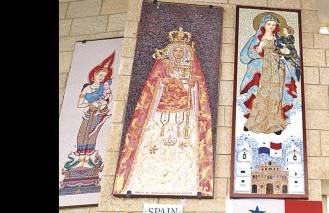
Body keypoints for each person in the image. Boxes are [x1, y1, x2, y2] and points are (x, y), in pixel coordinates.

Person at [113, 27, 214, 197]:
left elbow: (198, 88)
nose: (179, 53)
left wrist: (190, 84)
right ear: (171, 51)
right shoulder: (162, 65)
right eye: (176, 50)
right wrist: (168, 82)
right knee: (154, 144)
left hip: (185, 114)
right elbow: (152, 86)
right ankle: (144, 180)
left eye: (183, 50)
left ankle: (185, 182)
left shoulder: (191, 68)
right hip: (161, 113)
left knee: (184, 148)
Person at [238, 13, 300, 135]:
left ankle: (276, 124)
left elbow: (287, 51)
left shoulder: (279, 39)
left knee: (276, 95)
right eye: (269, 24)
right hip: (263, 69)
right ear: (263, 25)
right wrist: (260, 48)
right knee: (261, 94)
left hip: (277, 69)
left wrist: (285, 52)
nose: (271, 26)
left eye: (273, 24)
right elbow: (251, 53)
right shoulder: (257, 38)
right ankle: (253, 123)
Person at [75, 52, 114, 156]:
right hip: (90, 112)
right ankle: (81, 153)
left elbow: (109, 99)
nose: (102, 77)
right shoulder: (87, 88)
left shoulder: (104, 87)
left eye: (104, 76)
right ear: (93, 74)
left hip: (100, 112)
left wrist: (105, 101)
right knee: (83, 133)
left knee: (94, 133)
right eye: (100, 75)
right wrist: (91, 104)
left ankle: (89, 155)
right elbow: (79, 104)